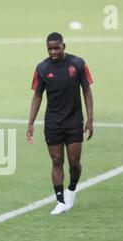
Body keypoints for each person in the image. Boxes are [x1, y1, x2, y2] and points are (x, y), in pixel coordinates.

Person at [26, 32, 94, 215]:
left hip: (73, 121)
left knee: (74, 163)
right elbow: (38, 95)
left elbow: (87, 90)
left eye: (56, 48)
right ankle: (60, 201)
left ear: (64, 46)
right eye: (49, 49)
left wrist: (90, 119)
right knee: (57, 160)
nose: (53, 51)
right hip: (53, 122)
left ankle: (71, 189)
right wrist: (30, 123)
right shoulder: (42, 68)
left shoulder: (77, 64)